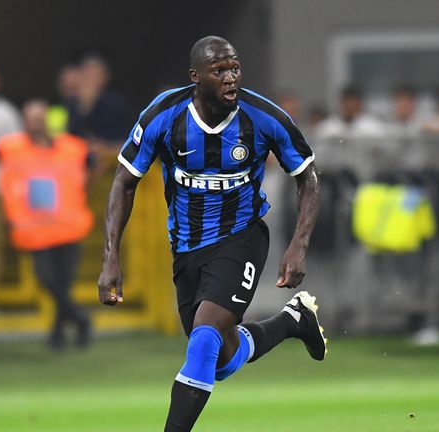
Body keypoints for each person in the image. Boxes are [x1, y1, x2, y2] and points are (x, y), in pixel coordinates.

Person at [97, 36, 326, 431]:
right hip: (186, 247)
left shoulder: (264, 116)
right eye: (219, 70)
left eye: (234, 68)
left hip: (242, 238)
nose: (230, 77)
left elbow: (307, 176)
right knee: (217, 360)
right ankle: (293, 321)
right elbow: (124, 182)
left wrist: (298, 245)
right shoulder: (164, 115)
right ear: (195, 77)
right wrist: (111, 258)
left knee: (203, 342)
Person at [0, 99, 93, 350]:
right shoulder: (13, 148)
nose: (36, 123)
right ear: (24, 121)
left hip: (68, 226)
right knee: (47, 279)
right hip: (36, 230)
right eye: (32, 118)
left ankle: (57, 335)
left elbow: (92, 165)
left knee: (63, 283)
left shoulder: (72, 148)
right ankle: (81, 319)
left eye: (40, 118)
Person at [67, 55, 130, 159]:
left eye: (95, 74)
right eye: (87, 74)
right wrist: (84, 108)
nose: (91, 79)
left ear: (106, 77)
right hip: (76, 158)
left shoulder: (117, 104)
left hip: (109, 159)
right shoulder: (71, 104)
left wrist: (103, 147)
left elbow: (125, 141)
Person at [47, 64, 81, 137]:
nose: (70, 92)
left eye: (74, 86)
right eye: (66, 86)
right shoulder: (53, 111)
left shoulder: (92, 110)